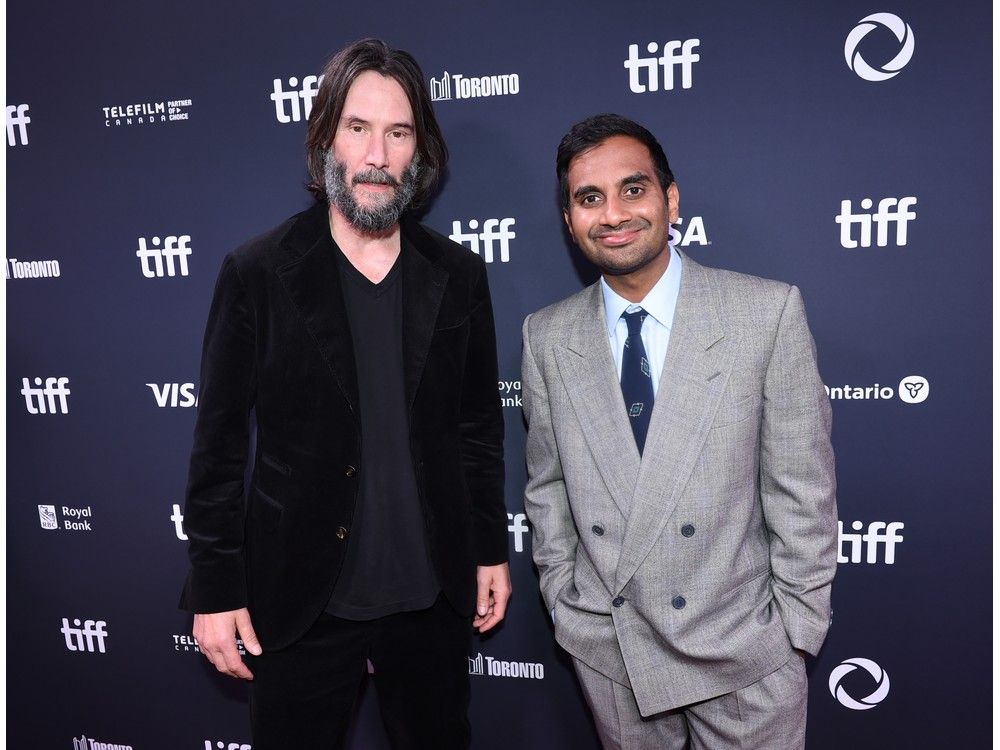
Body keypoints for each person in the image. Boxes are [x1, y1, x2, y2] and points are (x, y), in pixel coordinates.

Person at [179, 38, 511, 750]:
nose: (377, 154)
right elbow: (219, 448)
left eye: (398, 132)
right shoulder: (259, 272)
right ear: (326, 136)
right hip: (300, 603)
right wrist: (215, 590)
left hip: (431, 599)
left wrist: (489, 548)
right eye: (358, 128)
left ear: (420, 152)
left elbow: (478, 428)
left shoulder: (458, 274)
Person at [521, 113, 836, 749]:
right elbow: (547, 486)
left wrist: (794, 630)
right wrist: (565, 603)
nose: (612, 214)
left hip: (746, 656)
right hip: (613, 650)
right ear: (569, 220)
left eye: (633, 189)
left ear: (671, 198)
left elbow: (802, 487)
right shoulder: (547, 335)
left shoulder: (764, 313)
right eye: (589, 198)